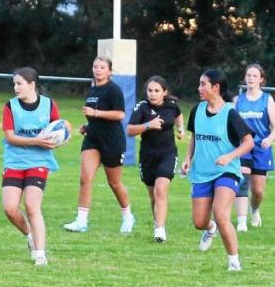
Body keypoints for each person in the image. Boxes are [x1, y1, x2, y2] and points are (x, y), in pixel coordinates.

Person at [181, 69, 254, 272]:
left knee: (221, 214)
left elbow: (248, 142)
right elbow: (195, 137)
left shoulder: (230, 113)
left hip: (227, 171)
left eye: (203, 84)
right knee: (199, 222)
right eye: (199, 84)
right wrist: (188, 158)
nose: (199, 88)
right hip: (201, 172)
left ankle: (234, 262)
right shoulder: (197, 110)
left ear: (216, 87)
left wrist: (230, 157)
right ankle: (210, 229)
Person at [1, 67, 70, 266]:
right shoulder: (10, 106)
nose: (15, 87)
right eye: (14, 83)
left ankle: (40, 253)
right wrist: (36, 141)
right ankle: (30, 235)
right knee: (10, 209)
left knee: (32, 206)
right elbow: (10, 137)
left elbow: (60, 126)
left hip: (39, 162)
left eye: (19, 83)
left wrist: (64, 133)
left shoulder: (49, 105)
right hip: (14, 161)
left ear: (32, 85)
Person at [64, 56, 136, 233]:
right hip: (92, 139)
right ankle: (81, 221)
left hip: (112, 141)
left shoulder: (114, 90)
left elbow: (119, 115)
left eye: (102, 67)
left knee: (114, 182)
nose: (98, 70)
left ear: (109, 71)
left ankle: (128, 216)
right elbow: (95, 117)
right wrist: (88, 126)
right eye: (95, 66)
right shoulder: (93, 90)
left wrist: (95, 113)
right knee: (85, 178)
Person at [127, 76, 184, 242]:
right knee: (153, 195)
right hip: (148, 156)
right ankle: (157, 222)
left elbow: (178, 115)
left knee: (161, 190)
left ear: (164, 92)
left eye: (157, 91)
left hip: (167, 154)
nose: (153, 94)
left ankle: (160, 230)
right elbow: (130, 130)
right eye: (150, 90)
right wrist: (147, 125)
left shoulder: (171, 106)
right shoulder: (142, 107)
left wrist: (180, 128)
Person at [233, 63, 275, 231]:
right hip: (243, 147)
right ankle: (242, 222)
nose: (251, 78)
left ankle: (254, 209)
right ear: (245, 78)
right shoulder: (238, 100)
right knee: (242, 182)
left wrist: (270, 138)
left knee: (257, 191)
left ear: (261, 79)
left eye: (254, 76)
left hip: (261, 148)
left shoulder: (267, 99)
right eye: (248, 75)